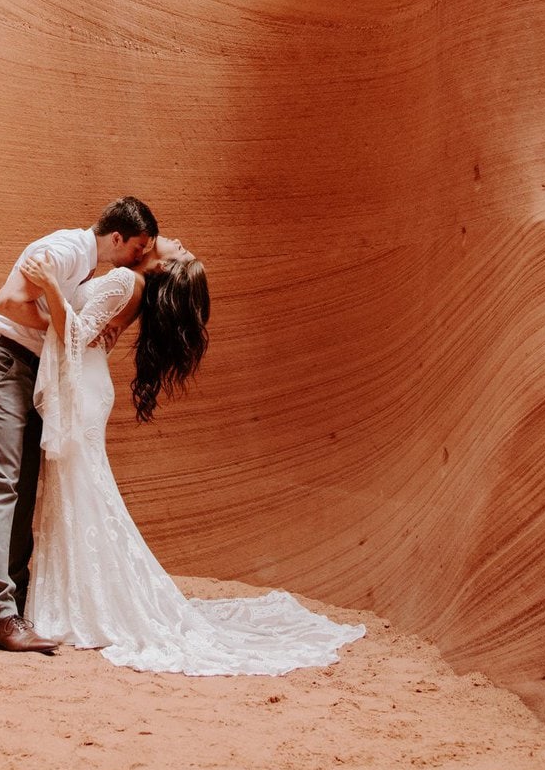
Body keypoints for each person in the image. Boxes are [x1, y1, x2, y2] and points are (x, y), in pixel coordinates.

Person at [21, 240, 366, 675]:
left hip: (84, 390)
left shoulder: (128, 279)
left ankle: (80, 606)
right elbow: (85, 329)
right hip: (86, 384)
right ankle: (75, 600)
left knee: (83, 495)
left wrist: (51, 283)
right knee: (81, 495)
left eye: (179, 248)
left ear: (161, 260)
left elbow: (74, 335)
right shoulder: (131, 281)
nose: (178, 239)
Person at [0, 197, 159, 654]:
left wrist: (77, 330)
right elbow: (9, 303)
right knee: (0, 484)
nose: (138, 257)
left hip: (22, 369)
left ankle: (17, 603)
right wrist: (65, 329)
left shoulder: (85, 266)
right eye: (137, 247)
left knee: (23, 488)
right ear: (117, 238)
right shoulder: (68, 249)